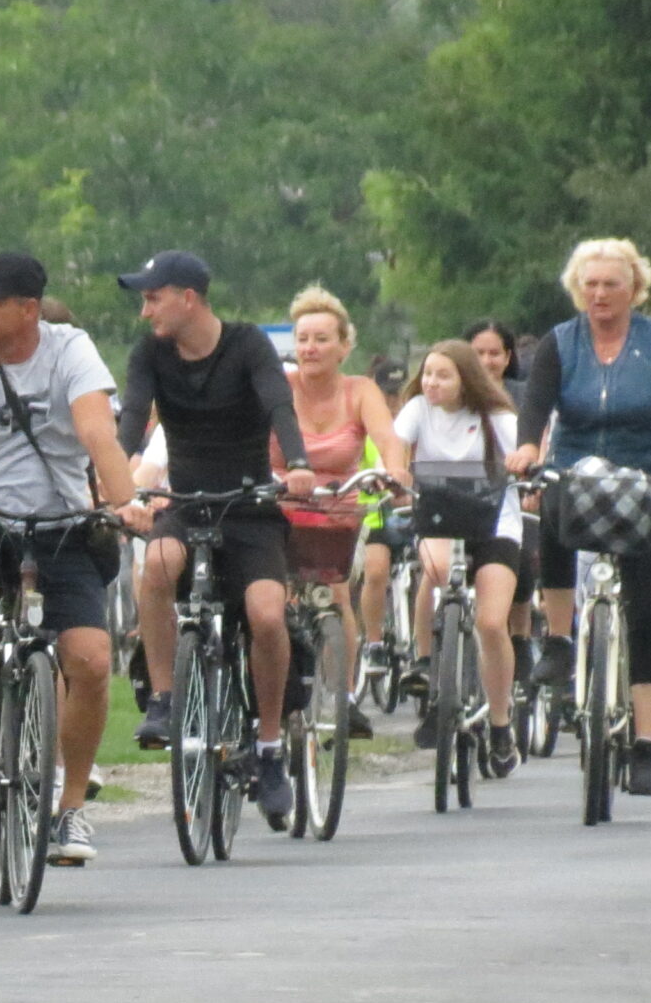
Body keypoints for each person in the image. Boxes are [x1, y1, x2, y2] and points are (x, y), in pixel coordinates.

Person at [0, 252, 137, 865]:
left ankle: (70, 808)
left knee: (91, 660)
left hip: (61, 522)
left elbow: (96, 431)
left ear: (29, 310)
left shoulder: (71, 351)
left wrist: (126, 502)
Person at [114, 249, 316, 829]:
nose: (146, 311)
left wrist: (298, 462)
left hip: (250, 506)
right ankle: (164, 698)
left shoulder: (248, 344)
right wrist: (120, 482)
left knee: (267, 614)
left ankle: (270, 747)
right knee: (156, 563)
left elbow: (278, 403)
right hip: (186, 502)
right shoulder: (150, 353)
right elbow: (133, 416)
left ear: (188, 299)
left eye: (153, 299)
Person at [508, 237, 651, 796]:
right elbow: (536, 405)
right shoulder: (561, 342)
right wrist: (528, 448)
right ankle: (560, 640)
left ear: (634, 288)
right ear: (577, 289)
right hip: (578, 471)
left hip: (644, 482)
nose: (600, 294)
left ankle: (646, 744)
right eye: (590, 284)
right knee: (551, 501)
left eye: (611, 284)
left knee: (647, 615)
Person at [280, 285, 407, 735]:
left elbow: (388, 439)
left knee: (335, 595)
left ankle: (344, 696)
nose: (310, 348)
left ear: (344, 347)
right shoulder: (279, 387)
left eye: (321, 339)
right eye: (302, 339)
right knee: (272, 600)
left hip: (337, 509)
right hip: (280, 506)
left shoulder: (361, 391)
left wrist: (396, 475)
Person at [395, 340, 525, 772]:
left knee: (491, 622)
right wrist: (394, 475)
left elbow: (526, 454)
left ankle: (501, 721)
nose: (431, 383)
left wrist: (529, 469)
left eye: (443, 375)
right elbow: (396, 447)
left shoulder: (497, 418)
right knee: (433, 571)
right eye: (427, 374)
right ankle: (425, 662)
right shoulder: (417, 410)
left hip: (495, 525)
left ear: (465, 380)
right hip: (439, 520)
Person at [463, 319, 542, 685]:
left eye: (494, 353)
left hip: (515, 495)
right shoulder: (454, 392)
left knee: (524, 559)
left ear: (508, 357)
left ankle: (521, 636)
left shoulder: (523, 396)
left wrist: (534, 482)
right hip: (465, 497)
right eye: (478, 353)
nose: (486, 361)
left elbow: (540, 438)